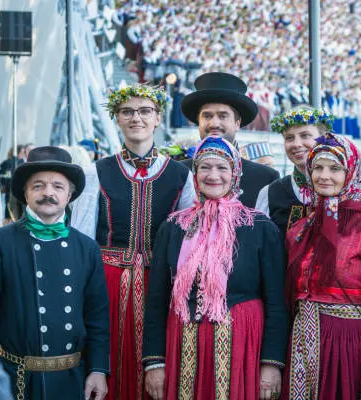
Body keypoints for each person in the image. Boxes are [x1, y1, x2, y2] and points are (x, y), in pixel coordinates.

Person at [71, 84, 196, 400]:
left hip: (161, 285)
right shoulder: (96, 172)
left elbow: (188, 241)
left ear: (157, 118)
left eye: (144, 111)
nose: (135, 117)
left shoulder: (182, 176)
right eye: (127, 111)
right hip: (108, 281)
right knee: (108, 362)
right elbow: (82, 239)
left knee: (160, 370)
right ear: (116, 118)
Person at [142, 136, 288, 400]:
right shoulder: (174, 227)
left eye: (222, 168)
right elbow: (156, 301)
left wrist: (271, 364)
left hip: (242, 345)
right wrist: (154, 363)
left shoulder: (259, 227)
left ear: (235, 173)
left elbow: (277, 301)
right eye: (205, 167)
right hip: (183, 344)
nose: (213, 176)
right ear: (195, 173)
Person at [283, 133, 361, 400]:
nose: (324, 176)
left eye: (335, 168)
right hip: (302, 346)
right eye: (318, 168)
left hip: (348, 348)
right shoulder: (302, 229)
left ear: (351, 172)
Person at [0, 146, 109, 400]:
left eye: (57, 186)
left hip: (71, 380)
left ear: (70, 194)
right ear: (25, 193)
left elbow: (97, 319)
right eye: (38, 186)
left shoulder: (86, 248)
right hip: (15, 379)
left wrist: (98, 369)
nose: (48, 193)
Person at [180, 72, 280, 208]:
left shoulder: (265, 178)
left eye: (223, 116)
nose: (214, 123)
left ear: (237, 123)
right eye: (207, 116)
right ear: (199, 121)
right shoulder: (179, 173)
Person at [255, 105, 335, 238]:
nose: (296, 144)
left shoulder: (342, 189)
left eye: (305, 135)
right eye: (289, 138)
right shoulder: (269, 193)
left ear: (324, 138)